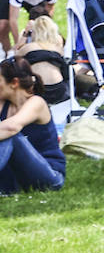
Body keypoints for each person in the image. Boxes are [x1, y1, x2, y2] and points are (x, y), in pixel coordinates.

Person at [0, 57, 65, 194]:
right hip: (15, 178)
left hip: (49, 175)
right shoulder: (3, 104)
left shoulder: (37, 103)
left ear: (14, 83)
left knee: (11, 135)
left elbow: (12, 127)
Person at [14, 17, 68, 108]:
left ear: (34, 32)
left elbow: (14, 56)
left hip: (37, 90)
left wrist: (25, 34)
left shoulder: (28, 48)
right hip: (58, 89)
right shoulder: (58, 49)